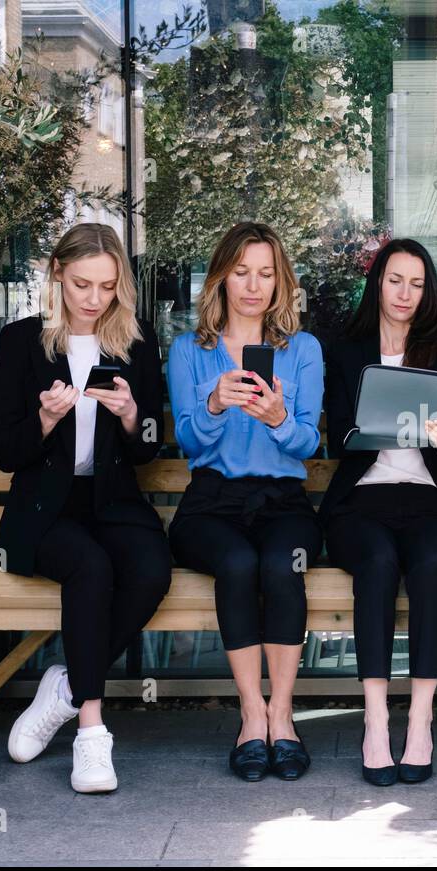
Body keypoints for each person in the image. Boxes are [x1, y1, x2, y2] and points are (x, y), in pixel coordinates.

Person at [0, 222, 172, 794]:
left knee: (150, 570)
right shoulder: (22, 342)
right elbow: (4, 452)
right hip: (45, 509)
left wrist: (127, 414)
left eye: (107, 287)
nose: (94, 300)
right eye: (81, 285)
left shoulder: (135, 343)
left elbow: (147, 448)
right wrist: (45, 420)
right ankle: (91, 732)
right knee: (90, 568)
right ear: (56, 277)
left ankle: (64, 690)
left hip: (112, 501)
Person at [320, 239, 437, 786]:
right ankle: (373, 719)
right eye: (395, 280)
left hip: (430, 500)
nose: (405, 294)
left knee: (432, 565)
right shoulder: (346, 348)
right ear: (378, 282)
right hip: (361, 500)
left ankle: (420, 719)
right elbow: (340, 438)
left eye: (416, 283)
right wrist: (383, 424)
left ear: (428, 290)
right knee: (377, 562)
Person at [166, 222, 324, 782]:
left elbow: (308, 442)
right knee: (237, 563)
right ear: (221, 278)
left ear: (280, 282)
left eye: (265, 273)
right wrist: (212, 405)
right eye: (241, 272)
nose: (253, 286)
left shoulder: (302, 350)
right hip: (211, 503)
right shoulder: (189, 350)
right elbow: (187, 441)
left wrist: (279, 419)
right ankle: (251, 716)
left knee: (282, 564)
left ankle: (283, 717)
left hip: (282, 500)